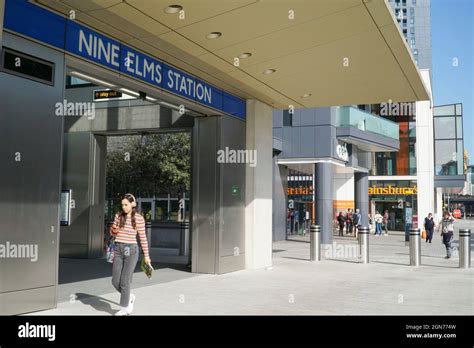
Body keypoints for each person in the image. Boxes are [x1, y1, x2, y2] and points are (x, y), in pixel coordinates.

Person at [110, 193, 152, 315]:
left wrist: (147, 256)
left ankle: (125, 308)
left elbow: (143, 237)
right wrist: (114, 229)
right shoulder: (118, 215)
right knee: (115, 281)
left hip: (131, 250)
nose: (124, 207)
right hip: (118, 248)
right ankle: (129, 296)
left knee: (125, 280)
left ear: (132, 204)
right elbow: (113, 232)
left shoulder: (139, 218)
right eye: (122, 205)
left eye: (126, 205)